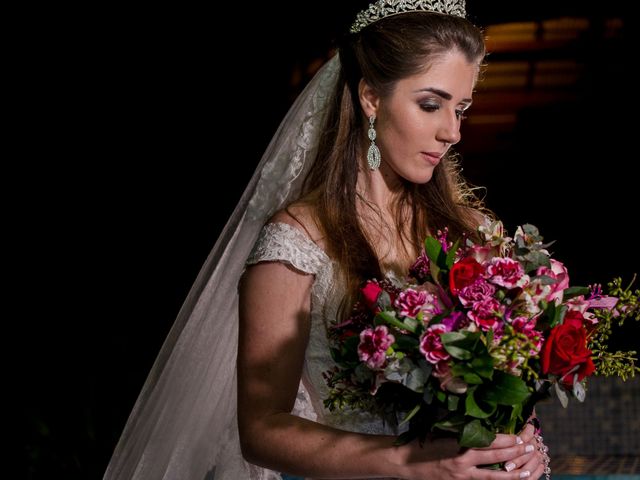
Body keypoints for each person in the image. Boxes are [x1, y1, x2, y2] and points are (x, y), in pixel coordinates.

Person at [105, 1, 549, 479]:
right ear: (371, 98)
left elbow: (502, 383)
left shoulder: (473, 233)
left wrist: (521, 441)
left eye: (460, 109)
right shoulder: (296, 242)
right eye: (430, 104)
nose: (452, 131)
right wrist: (412, 464)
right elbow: (261, 429)